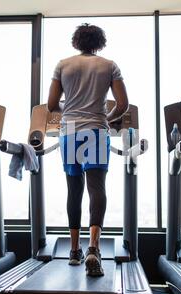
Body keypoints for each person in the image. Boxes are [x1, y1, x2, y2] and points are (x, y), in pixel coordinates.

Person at [47, 23, 128, 276]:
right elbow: (123, 104)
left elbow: (51, 104)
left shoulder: (63, 64)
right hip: (95, 130)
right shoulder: (109, 65)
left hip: (69, 131)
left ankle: (74, 250)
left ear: (76, 41)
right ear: (99, 43)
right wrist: (107, 116)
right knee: (96, 188)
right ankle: (93, 247)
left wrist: (70, 111)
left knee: (74, 189)